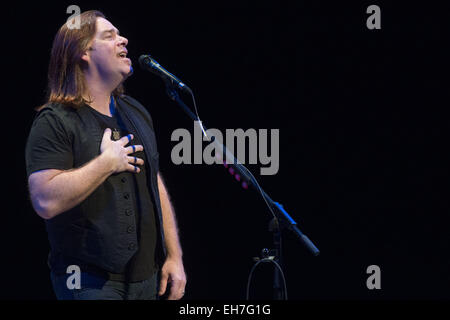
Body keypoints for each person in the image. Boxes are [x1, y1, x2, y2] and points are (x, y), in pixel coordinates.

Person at [25, 10, 186, 300]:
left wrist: (174, 256)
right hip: (88, 283)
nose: (123, 40)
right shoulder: (56, 120)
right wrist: (106, 163)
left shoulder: (135, 112)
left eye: (120, 34)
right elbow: (44, 200)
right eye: (110, 36)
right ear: (83, 52)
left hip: (145, 281)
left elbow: (154, 182)